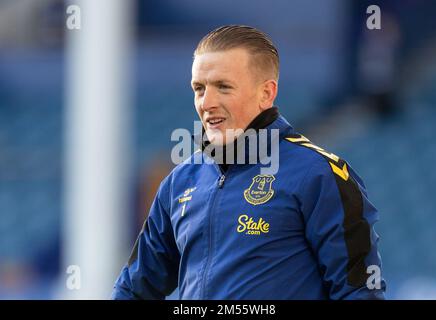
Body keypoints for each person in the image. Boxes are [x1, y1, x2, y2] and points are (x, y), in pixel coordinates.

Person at [111, 25, 386, 300]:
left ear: (266, 93)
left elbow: (360, 292)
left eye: (223, 87)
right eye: (199, 88)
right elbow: (133, 290)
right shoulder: (179, 182)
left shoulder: (320, 175)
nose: (207, 103)